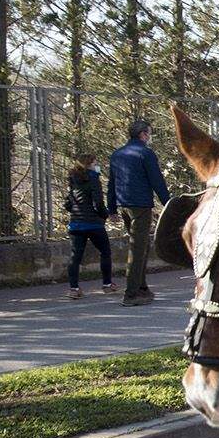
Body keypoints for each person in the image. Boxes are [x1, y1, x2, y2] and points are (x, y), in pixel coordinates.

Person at [107, 119, 170, 306]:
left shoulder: (117, 154)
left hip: (123, 204)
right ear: (143, 134)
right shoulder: (146, 154)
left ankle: (142, 287)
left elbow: (111, 183)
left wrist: (111, 208)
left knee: (142, 247)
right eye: (148, 133)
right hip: (140, 205)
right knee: (137, 248)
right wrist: (168, 203)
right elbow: (156, 180)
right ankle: (131, 292)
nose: (149, 137)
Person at [64, 153, 115, 300]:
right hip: (93, 223)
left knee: (75, 256)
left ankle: (74, 288)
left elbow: (69, 202)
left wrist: (75, 212)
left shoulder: (73, 179)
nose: (96, 166)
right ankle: (107, 284)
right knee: (105, 251)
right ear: (89, 164)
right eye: (95, 163)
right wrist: (105, 215)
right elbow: (98, 202)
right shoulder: (93, 178)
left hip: (76, 223)